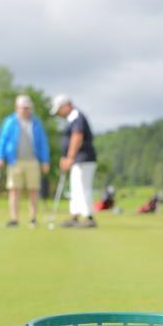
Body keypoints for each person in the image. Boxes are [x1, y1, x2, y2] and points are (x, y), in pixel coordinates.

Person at [0, 95, 50, 227]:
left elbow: (43, 143)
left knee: (33, 190)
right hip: (15, 161)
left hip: (33, 160)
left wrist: (45, 160)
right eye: (23, 108)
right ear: (17, 108)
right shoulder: (10, 121)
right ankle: (14, 219)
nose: (26, 110)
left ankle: (33, 219)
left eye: (28, 108)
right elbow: (2, 140)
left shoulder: (36, 122)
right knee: (14, 189)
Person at [50, 94, 97, 228]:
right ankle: (75, 217)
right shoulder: (72, 118)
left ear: (66, 105)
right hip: (78, 159)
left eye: (59, 110)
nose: (59, 114)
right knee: (76, 188)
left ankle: (89, 218)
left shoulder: (77, 116)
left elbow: (77, 137)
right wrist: (66, 157)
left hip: (84, 158)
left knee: (83, 187)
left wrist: (69, 157)